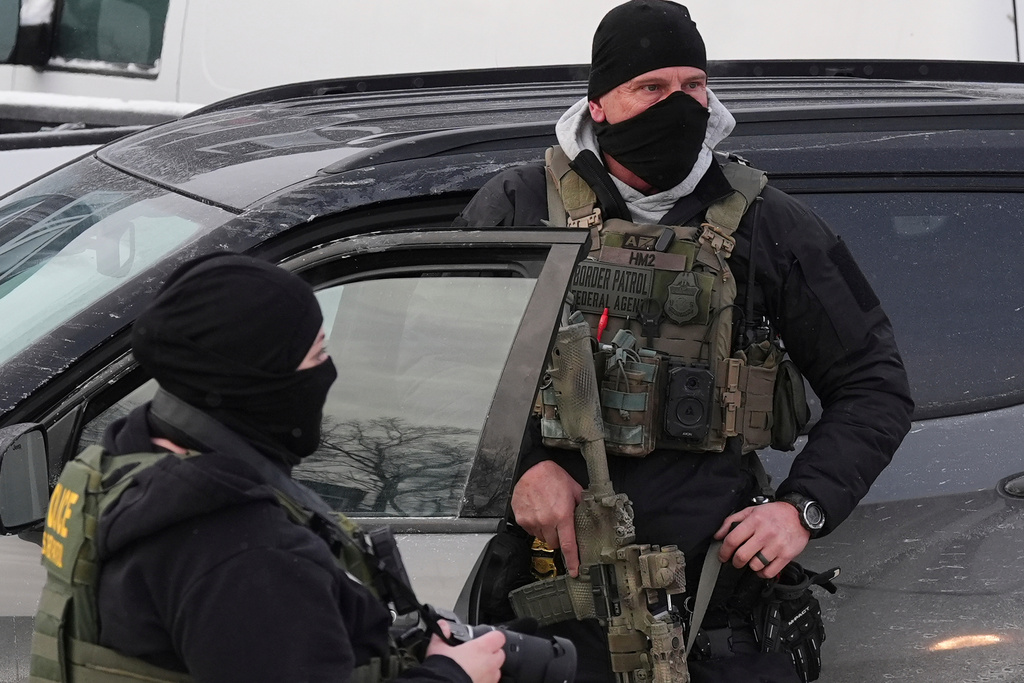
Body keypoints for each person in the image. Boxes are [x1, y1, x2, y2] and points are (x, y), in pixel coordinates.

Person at [455, 1, 913, 681]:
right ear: (600, 104)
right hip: (547, 611)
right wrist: (517, 465)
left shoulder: (765, 221)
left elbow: (875, 382)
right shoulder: (518, 208)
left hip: (712, 611)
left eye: (693, 85)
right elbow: (434, 366)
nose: (680, 103)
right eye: (652, 87)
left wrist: (802, 507)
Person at [31, 253, 505, 683]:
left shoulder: (121, 466)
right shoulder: (245, 554)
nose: (329, 371)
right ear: (256, 381)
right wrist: (453, 677)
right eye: (317, 354)